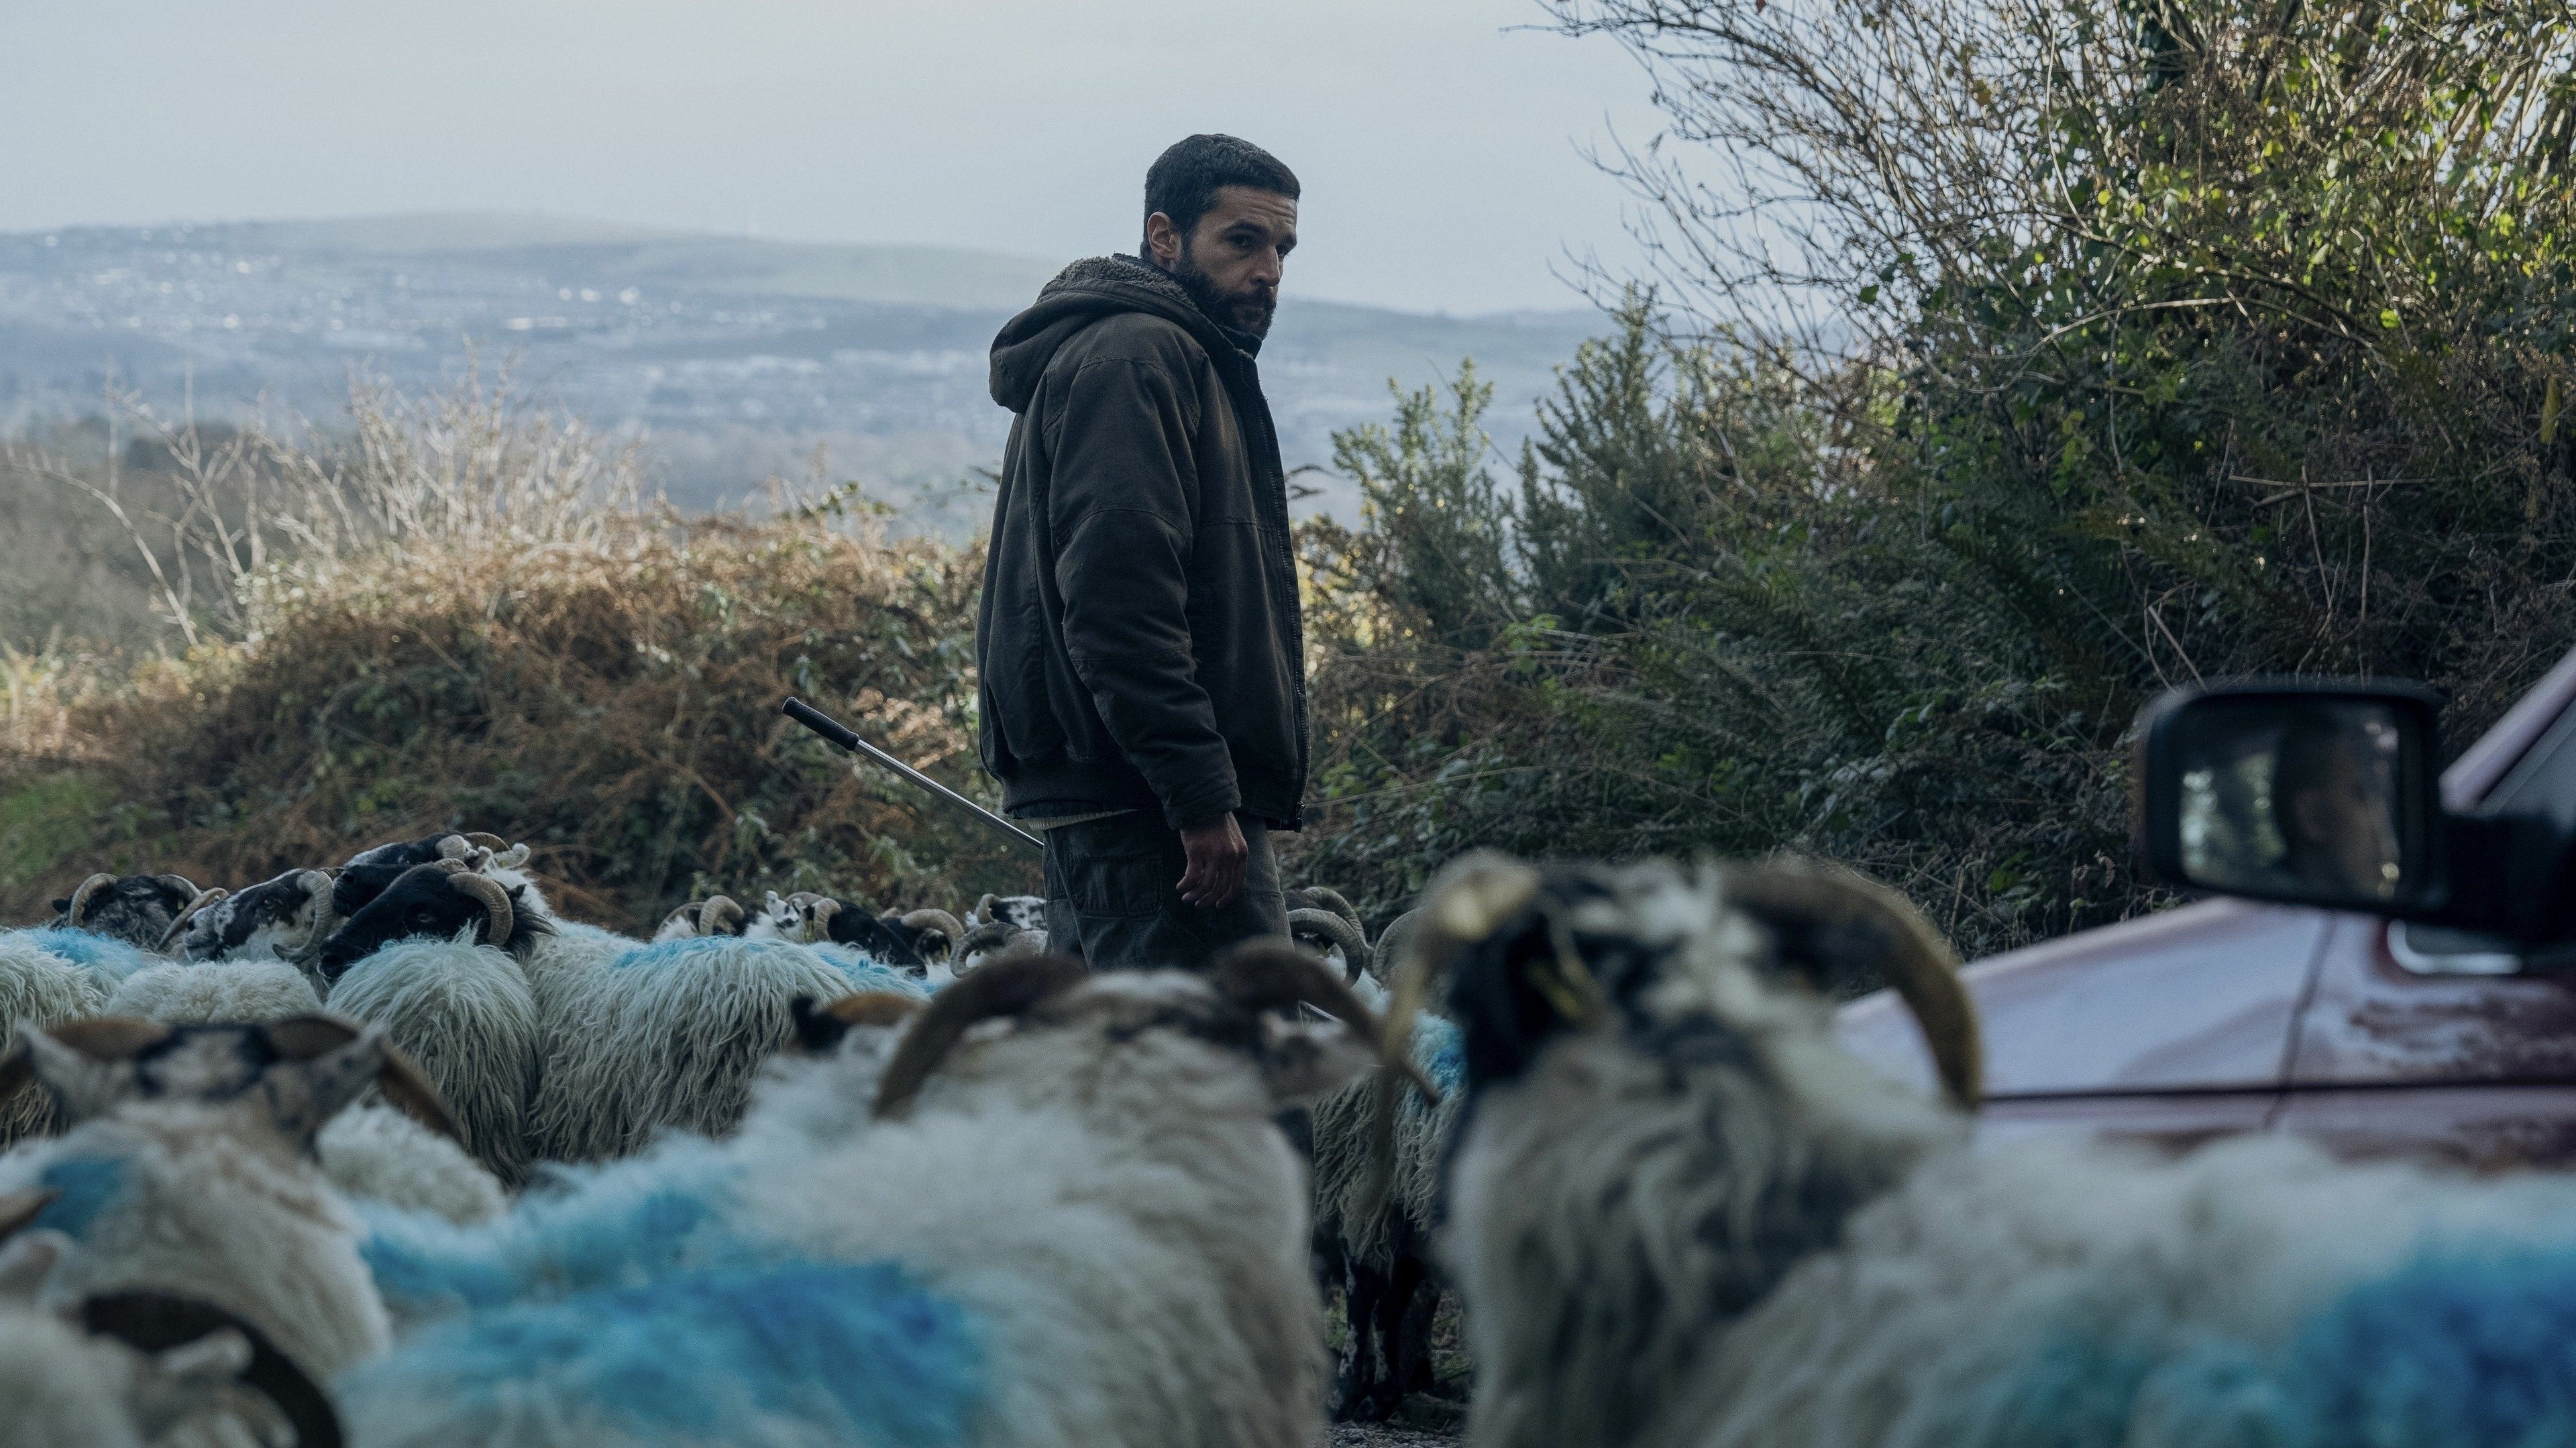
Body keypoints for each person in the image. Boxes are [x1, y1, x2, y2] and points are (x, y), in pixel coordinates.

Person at [975, 134, 1307, 968]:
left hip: (1133, 804)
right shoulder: (1136, 356)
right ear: (1165, 237)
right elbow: (1118, 604)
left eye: (1282, 249)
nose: (1269, 271)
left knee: (1133, 1055)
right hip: (1149, 814)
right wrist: (1198, 795)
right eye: (1243, 241)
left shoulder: (1161, 353)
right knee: (1230, 1052)